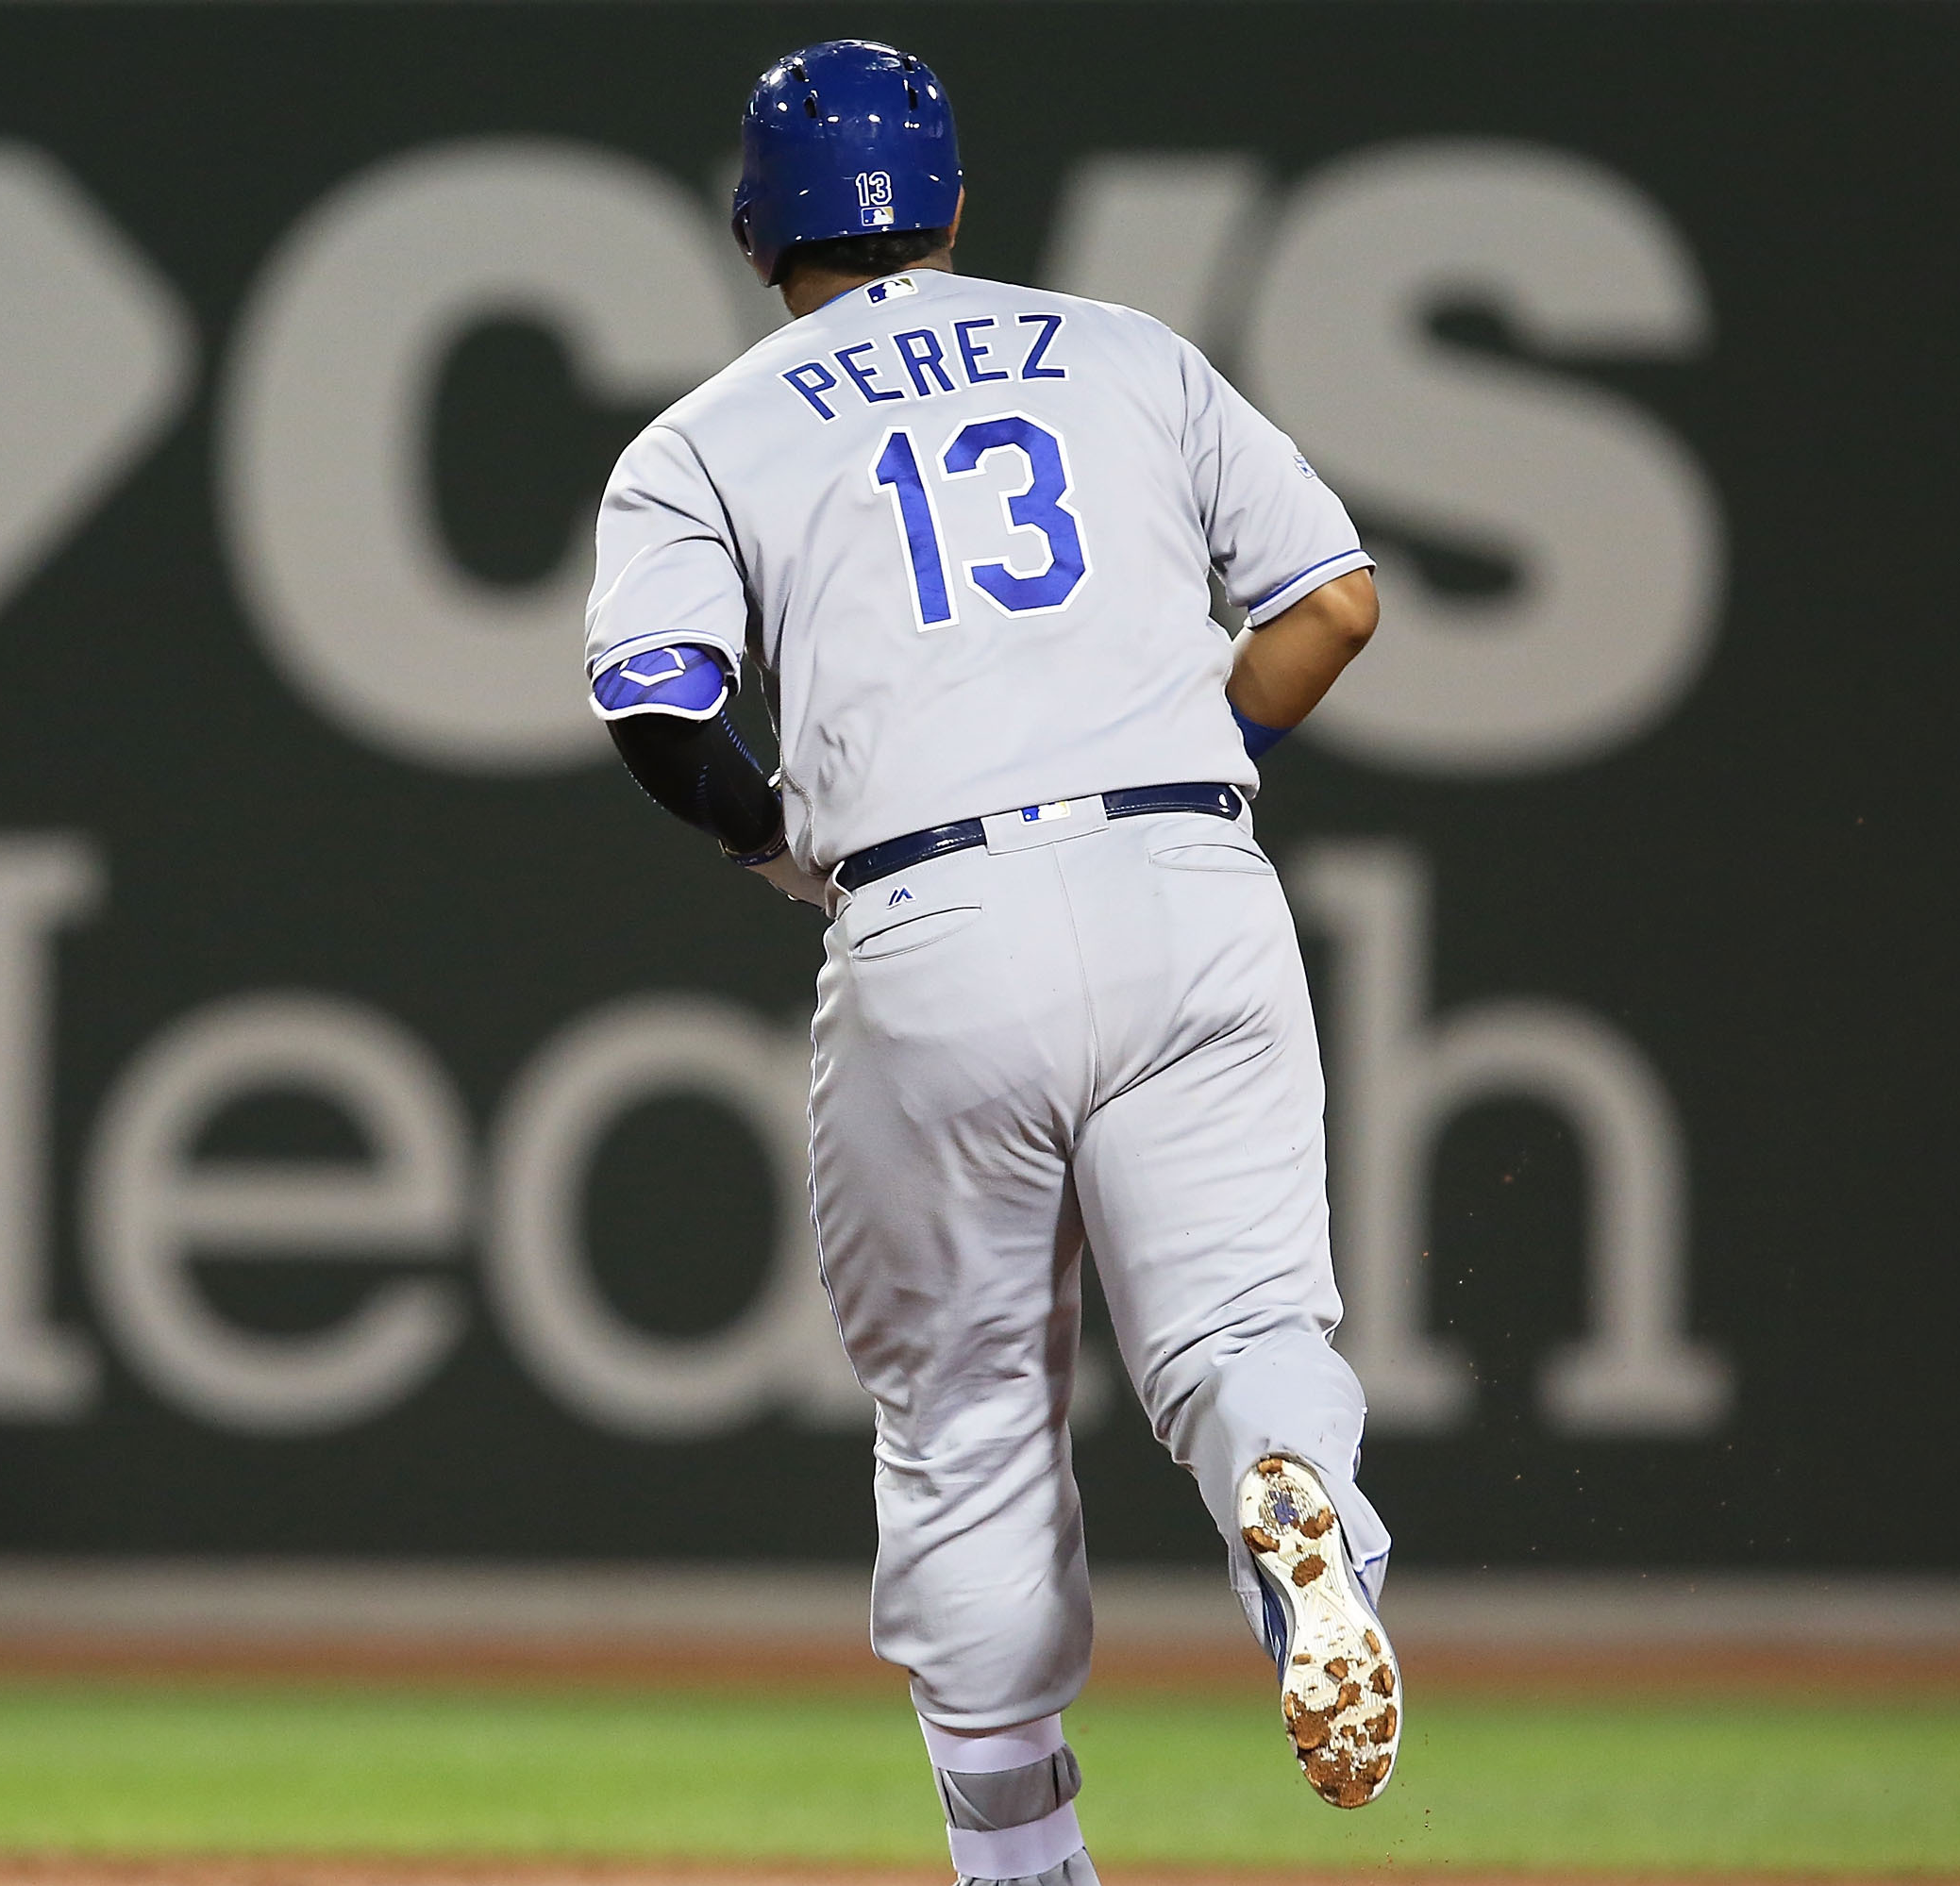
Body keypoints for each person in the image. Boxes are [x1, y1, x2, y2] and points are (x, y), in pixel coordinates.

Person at [580, 39, 1401, 1885]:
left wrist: (769, 828)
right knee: (1246, 1334)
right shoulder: (1124, 351)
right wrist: (1183, 764)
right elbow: (1333, 599)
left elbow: (655, 702)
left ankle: (1023, 1861)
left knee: (962, 1415)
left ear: (754, 230)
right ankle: (1304, 1518)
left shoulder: (705, 435)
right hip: (1194, 880)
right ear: (955, 204)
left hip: (934, 916)